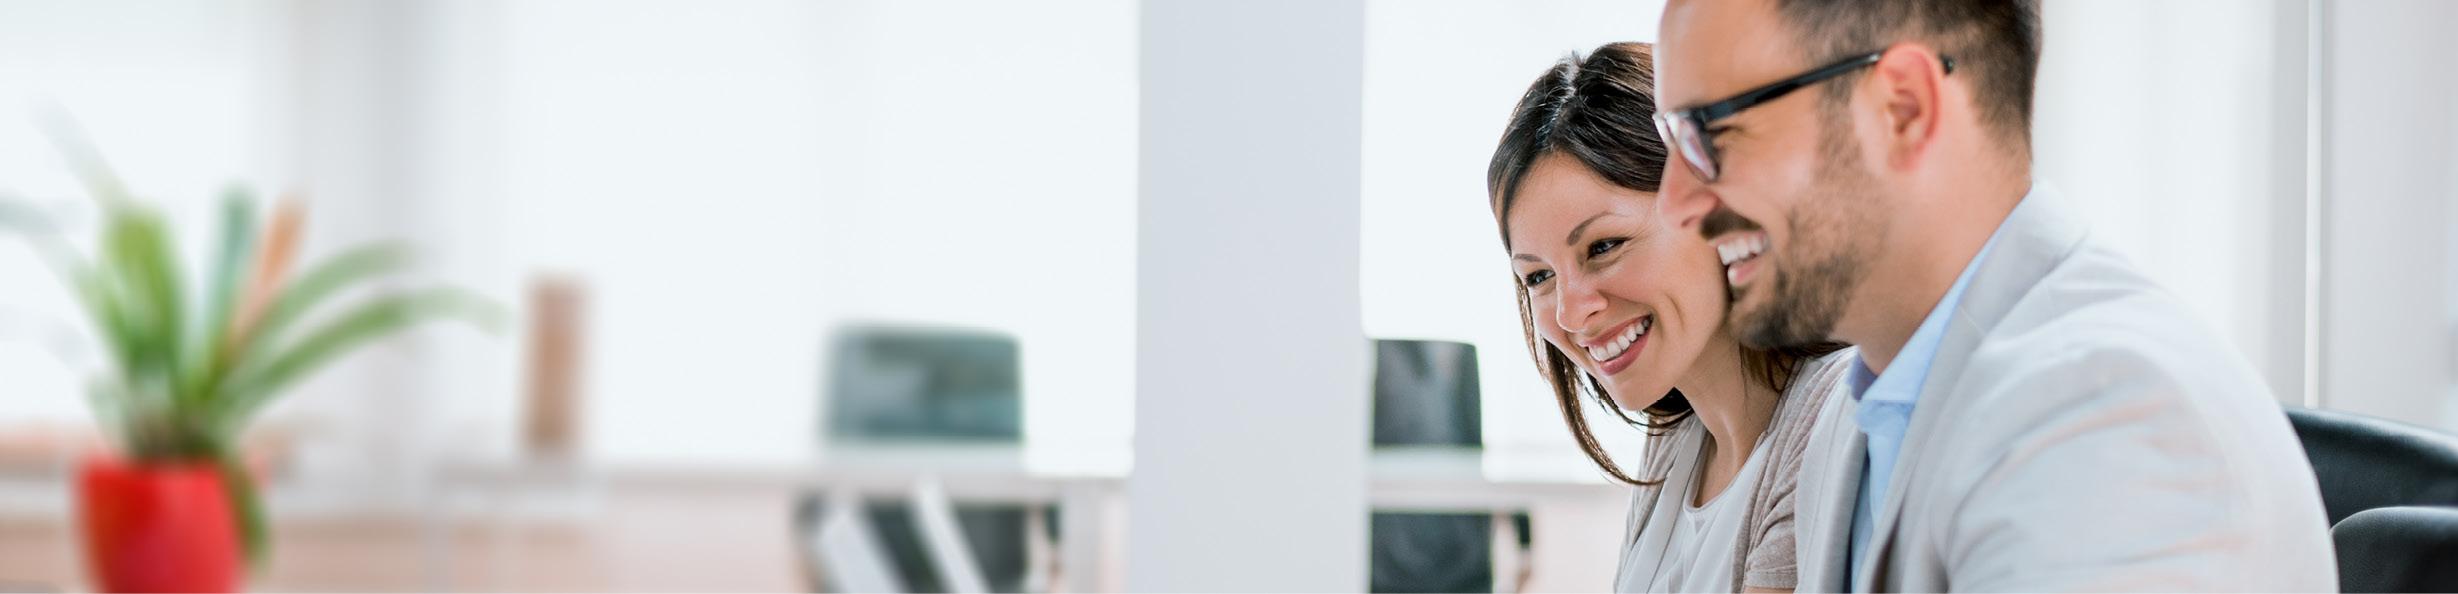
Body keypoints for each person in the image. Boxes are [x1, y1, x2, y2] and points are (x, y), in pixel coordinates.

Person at [1647, 0, 2337, 591]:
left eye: (1711, 132)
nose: (1675, 202)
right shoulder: (1855, 414)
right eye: (1670, 138)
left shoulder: (2114, 421)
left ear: (1902, 109)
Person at [1487, 41, 1854, 593]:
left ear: (1708, 206)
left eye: (1604, 245)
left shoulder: (1827, 422)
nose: (1570, 311)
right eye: (1538, 277)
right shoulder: (1681, 435)